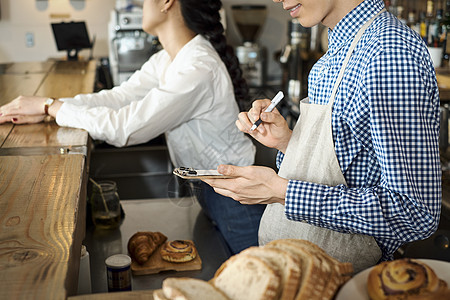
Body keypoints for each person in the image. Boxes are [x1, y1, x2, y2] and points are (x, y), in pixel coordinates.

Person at [0, 0, 266, 254]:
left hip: (236, 196)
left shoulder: (198, 67)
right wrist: (50, 107)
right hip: (211, 189)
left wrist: (50, 107)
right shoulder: (169, 59)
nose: (141, 5)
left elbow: (125, 127)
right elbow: (118, 98)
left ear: (167, 2)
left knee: (260, 283)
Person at [202, 0, 441, 272]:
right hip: (303, 273)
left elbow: (414, 212)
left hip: (348, 279)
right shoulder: (335, 55)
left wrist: (283, 193)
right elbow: (355, 164)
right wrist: (288, 142)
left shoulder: (388, 53)